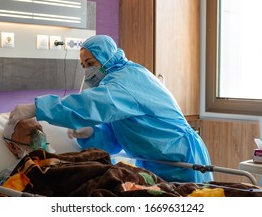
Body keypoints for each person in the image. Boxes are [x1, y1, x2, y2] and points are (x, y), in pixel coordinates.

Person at [18, 35, 213, 183]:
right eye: (83, 65)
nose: (87, 70)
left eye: (91, 63)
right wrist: (91, 134)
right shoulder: (114, 85)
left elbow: (90, 105)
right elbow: (114, 141)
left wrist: (37, 107)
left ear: (107, 58)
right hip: (158, 162)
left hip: (180, 157)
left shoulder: (127, 79)